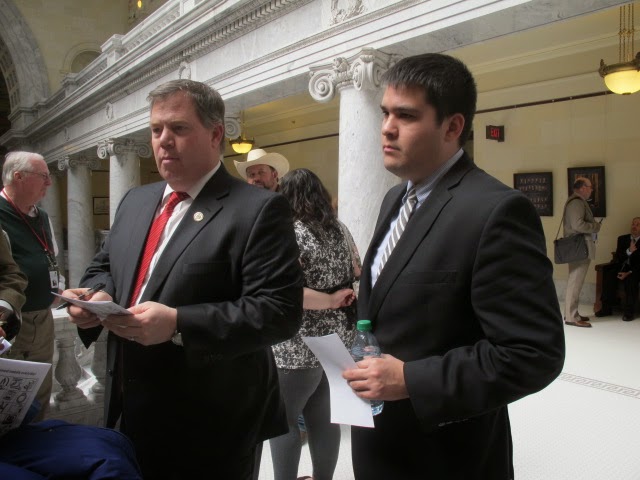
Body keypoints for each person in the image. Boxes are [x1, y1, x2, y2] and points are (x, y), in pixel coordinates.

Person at [61, 79, 303, 480]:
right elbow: (105, 265)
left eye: (178, 128)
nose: (163, 140)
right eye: (156, 129)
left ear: (215, 134)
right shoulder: (136, 200)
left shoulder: (258, 209)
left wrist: (178, 323)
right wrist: (97, 295)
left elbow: (279, 312)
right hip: (128, 408)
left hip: (211, 424)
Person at [341, 53, 565, 479]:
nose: (387, 127)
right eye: (385, 112)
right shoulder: (394, 198)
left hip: (447, 457)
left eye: (406, 115)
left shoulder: (496, 212)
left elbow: (534, 353)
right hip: (380, 444)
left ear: (452, 127)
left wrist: (411, 379)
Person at [269, 168, 359, 480]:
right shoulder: (340, 229)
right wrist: (339, 296)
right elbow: (357, 271)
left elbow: (290, 293)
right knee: (323, 418)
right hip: (336, 341)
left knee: (284, 420)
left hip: (297, 344)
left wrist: (330, 299)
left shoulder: (289, 232)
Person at [0, 151, 63, 421]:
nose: (49, 182)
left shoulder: (42, 215)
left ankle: (38, 439)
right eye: (43, 176)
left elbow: (50, 257)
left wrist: (59, 290)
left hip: (43, 319)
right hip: (14, 322)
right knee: (13, 402)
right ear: (18, 177)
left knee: (41, 393)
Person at [563, 177, 602, 327]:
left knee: (576, 281)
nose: (591, 190)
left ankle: (572, 313)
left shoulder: (577, 201)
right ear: (582, 188)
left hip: (579, 247)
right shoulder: (576, 202)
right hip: (579, 247)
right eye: (590, 187)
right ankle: (571, 317)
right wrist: (595, 227)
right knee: (575, 282)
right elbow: (577, 225)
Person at [595, 217, 640, 321]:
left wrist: (628, 273)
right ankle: (606, 308)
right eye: (633, 224)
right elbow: (619, 257)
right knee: (609, 274)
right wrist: (629, 251)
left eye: (638, 225)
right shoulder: (622, 239)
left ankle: (629, 312)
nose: (634, 226)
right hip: (621, 267)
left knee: (631, 279)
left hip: (635, 270)